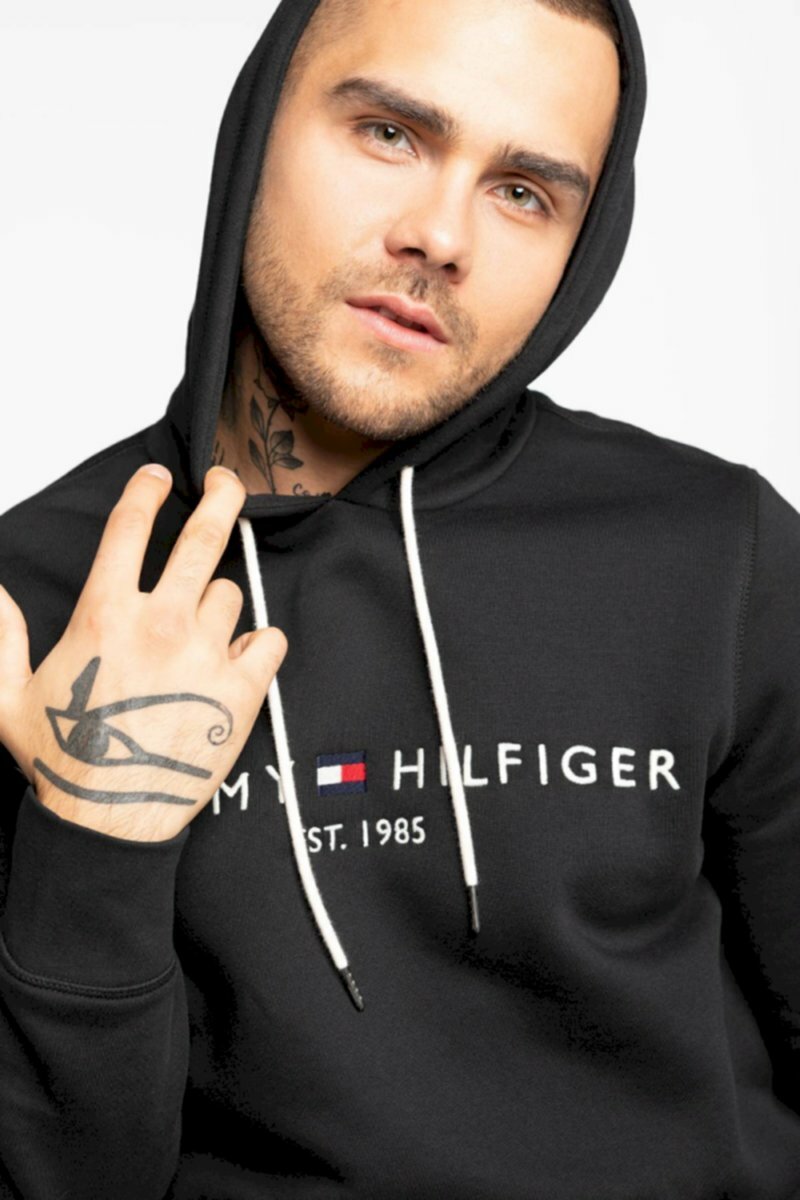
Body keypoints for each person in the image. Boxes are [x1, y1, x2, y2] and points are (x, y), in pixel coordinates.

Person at [0, 0, 798, 1196]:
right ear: (257, 128)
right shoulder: (30, 604)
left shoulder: (715, 551)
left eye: (521, 192)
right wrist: (92, 839)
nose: (439, 235)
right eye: (389, 133)